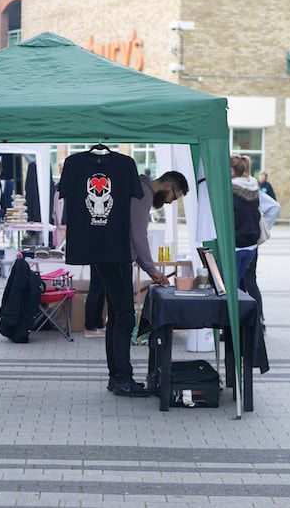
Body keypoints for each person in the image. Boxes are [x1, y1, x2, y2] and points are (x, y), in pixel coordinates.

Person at [58, 147, 147, 397]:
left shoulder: (81, 164)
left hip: (95, 250)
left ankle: (116, 376)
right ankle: (122, 379)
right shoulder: (77, 164)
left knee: (118, 316)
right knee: (124, 317)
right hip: (115, 253)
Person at [83, 170, 188, 339]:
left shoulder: (136, 187)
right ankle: (122, 366)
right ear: (168, 185)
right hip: (118, 261)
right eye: (174, 197)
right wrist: (152, 270)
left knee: (116, 318)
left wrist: (149, 269)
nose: (170, 202)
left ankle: (117, 365)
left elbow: (133, 237)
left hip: (107, 255)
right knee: (124, 320)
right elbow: (138, 236)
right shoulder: (143, 193)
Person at [239, 157, 280, 330]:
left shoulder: (247, 188)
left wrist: (261, 228)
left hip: (244, 242)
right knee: (246, 282)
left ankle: (255, 321)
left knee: (247, 282)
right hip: (248, 243)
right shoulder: (249, 187)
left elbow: (274, 207)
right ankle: (253, 321)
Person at [231, 156, 261, 283]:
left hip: (236, 243)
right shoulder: (254, 187)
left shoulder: (230, 189)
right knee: (239, 285)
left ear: (232, 170)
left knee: (232, 286)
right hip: (252, 244)